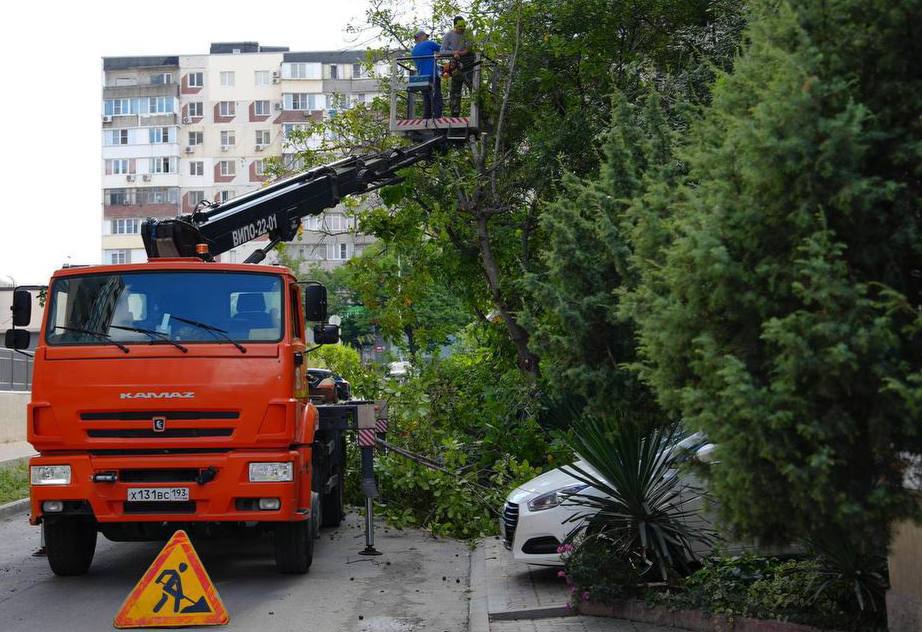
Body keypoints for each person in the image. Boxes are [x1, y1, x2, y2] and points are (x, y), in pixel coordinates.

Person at [441, 16, 475, 117]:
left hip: (469, 61)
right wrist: (453, 52)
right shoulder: (448, 35)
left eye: (463, 27)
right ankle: (455, 113)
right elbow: (442, 50)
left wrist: (461, 53)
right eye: (460, 28)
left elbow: (469, 47)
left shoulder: (468, 33)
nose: (462, 30)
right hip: (455, 63)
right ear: (455, 26)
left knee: (473, 85)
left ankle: (476, 113)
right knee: (455, 89)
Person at [410, 29, 442, 118]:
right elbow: (444, 48)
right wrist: (439, 54)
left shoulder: (413, 50)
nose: (427, 38)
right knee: (436, 98)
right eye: (426, 36)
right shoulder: (428, 43)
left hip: (422, 78)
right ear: (421, 36)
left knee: (427, 100)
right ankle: (437, 119)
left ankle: (426, 119)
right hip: (432, 75)